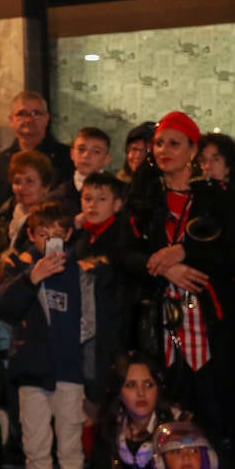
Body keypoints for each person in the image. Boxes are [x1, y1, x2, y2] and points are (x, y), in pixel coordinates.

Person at [126, 111, 235, 469]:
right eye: (159, 144)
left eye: (174, 143)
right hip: (159, 329)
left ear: (193, 150)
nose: (164, 151)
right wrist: (164, 269)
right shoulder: (144, 199)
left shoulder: (217, 196)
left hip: (211, 328)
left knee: (217, 416)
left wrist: (186, 253)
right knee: (167, 415)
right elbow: (124, 255)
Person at [0, 200, 89, 469]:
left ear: (69, 235)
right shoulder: (20, 267)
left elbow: (90, 322)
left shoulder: (79, 272)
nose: (50, 241)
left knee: (71, 448)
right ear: (32, 235)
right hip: (31, 371)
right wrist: (31, 277)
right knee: (36, 448)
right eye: (43, 234)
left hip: (69, 371)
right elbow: (3, 307)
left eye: (57, 234)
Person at [91, 351, 187, 469]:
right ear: (119, 392)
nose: (141, 393)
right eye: (131, 385)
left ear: (158, 389)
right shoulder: (108, 433)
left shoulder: (180, 430)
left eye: (148, 385)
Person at [76, 171, 134, 406]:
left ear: (117, 204)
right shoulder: (81, 238)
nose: (93, 205)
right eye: (87, 198)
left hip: (114, 328)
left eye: (101, 199)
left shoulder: (122, 236)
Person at [0, 91, 73, 212]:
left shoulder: (68, 158)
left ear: (47, 119)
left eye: (36, 113)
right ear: (11, 120)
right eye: (22, 114)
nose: (29, 119)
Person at [0, 149, 56, 268]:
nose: (22, 187)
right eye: (17, 181)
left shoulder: (52, 218)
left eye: (30, 181)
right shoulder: (7, 210)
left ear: (46, 186)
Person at [196, 132, 235, 228]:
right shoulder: (199, 201)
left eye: (216, 160)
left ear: (229, 166)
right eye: (203, 161)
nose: (207, 166)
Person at [51, 126, 111, 215]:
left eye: (96, 151)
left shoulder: (120, 193)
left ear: (106, 159)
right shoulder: (57, 197)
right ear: (72, 154)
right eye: (81, 149)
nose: (86, 155)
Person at [119, 121, 156, 185]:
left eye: (146, 151)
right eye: (134, 149)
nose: (138, 155)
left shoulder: (166, 187)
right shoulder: (118, 184)